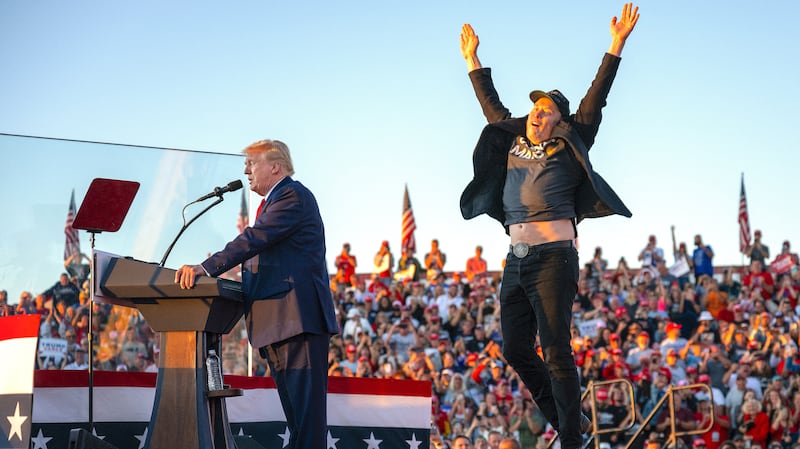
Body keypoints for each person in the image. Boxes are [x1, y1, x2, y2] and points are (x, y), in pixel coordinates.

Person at [458, 4, 639, 448]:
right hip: (515, 260)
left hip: (555, 257)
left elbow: (597, 96)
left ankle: (573, 441)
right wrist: (472, 62)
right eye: (534, 108)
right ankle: (568, 424)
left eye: (546, 110)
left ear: (560, 118)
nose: (537, 114)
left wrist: (615, 45)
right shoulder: (513, 138)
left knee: (557, 351)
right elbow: (491, 107)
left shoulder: (570, 140)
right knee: (516, 350)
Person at [175, 139, 339, 449]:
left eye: (252, 163)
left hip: (297, 323)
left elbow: (255, 239)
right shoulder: (276, 201)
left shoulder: (292, 195)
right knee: (299, 425)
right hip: (279, 325)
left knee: (307, 426)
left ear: (275, 166)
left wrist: (207, 268)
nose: (246, 170)